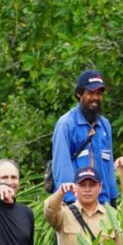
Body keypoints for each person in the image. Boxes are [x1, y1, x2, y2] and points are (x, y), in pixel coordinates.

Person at [51, 69, 118, 204]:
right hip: (77, 204)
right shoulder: (66, 124)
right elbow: (61, 167)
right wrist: (72, 202)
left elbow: (109, 166)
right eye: (90, 93)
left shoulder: (104, 125)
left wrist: (113, 199)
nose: (95, 98)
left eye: (99, 93)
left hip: (103, 205)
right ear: (79, 94)